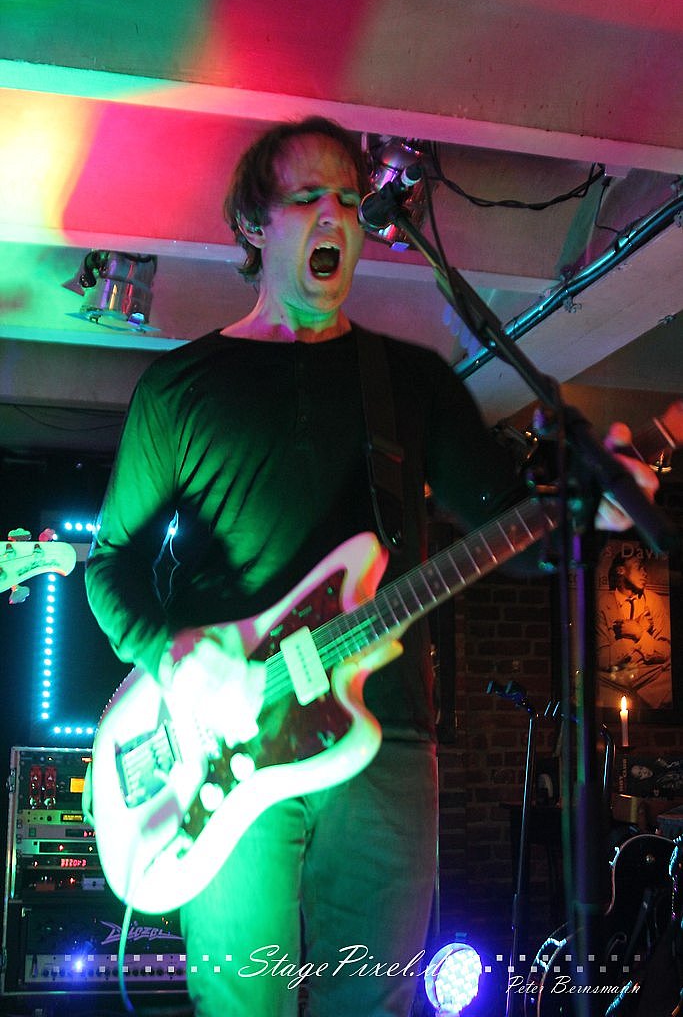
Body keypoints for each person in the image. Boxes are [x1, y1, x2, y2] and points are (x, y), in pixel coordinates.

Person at [84, 116, 659, 1017]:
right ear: (253, 225)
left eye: (350, 200)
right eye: (307, 198)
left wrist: (587, 511)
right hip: (224, 749)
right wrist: (175, 653)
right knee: (242, 1004)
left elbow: (510, 528)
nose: (336, 216)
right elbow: (110, 565)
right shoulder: (180, 388)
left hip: (381, 736)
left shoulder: (409, 383)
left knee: (373, 1003)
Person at [598, 548, 671, 708]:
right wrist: (632, 635)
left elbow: (665, 651)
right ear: (620, 570)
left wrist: (639, 633)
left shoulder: (653, 601)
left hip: (650, 678)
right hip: (614, 679)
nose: (645, 573)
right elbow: (602, 659)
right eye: (639, 567)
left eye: (645, 569)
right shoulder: (602, 604)